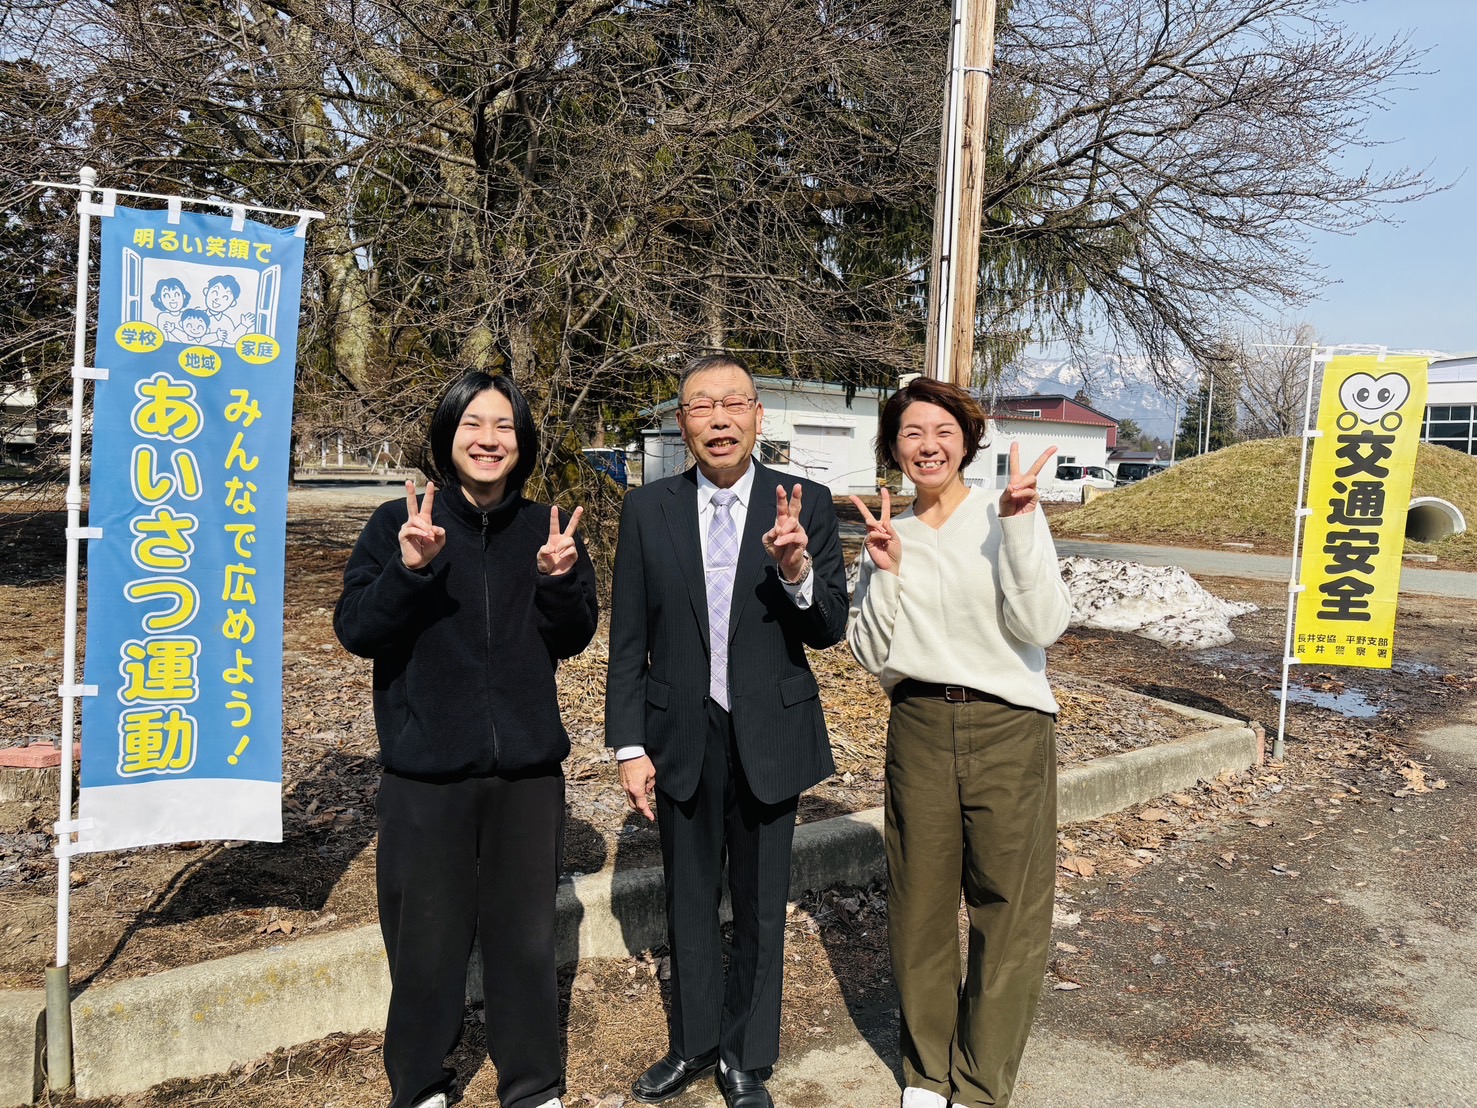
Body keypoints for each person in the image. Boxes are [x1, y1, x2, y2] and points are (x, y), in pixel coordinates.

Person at [334, 371, 598, 1108]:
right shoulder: (398, 521)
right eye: (473, 425)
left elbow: (573, 637)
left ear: (523, 442)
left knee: (524, 944)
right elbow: (356, 630)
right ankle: (419, 1085)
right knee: (425, 947)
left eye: (505, 427)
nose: (489, 440)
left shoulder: (546, 527)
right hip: (425, 776)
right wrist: (410, 569)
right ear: (448, 437)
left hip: (526, 775)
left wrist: (558, 581)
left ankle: (533, 1087)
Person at [605, 354, 849, 1108]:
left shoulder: (804, 500)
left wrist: (796, 570)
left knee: (758, 899)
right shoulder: (649, 509)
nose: (718, 418)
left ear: (757, 417)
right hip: (681, 730)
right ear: (681, 424)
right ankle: (694, 1043)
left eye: (733, 404)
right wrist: (628, 744)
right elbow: (627, 639)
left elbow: (829, 628)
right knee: (687, 898)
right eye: (701, 406)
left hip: (767, 733)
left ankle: (745, 1055)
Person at [846, 377, 1071, 1108]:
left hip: (1009, 725)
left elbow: (1042, 626)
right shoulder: (889, 532)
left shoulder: (1005, 514)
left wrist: (1016, 524)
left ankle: (978, 1084)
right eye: (911, 433)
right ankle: (925, 1074)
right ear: (892, 448)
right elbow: (871, 654)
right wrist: (882, 574)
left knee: (1008, 907)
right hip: (917, 724)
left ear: (967, 443)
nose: (927, 445)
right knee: (918, 903)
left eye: (942, 431)